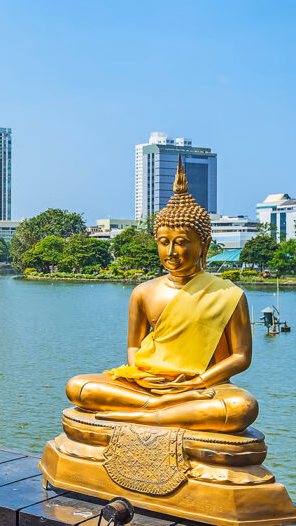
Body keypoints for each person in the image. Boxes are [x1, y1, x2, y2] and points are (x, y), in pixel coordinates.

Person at [65, 156, 257, 433]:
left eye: (181, 243)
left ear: (204, 244)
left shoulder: (229, 294)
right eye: (164, 242)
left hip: (200, 385)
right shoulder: (144, 292)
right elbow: (134, 346)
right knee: (79, 387)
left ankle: (147, 414)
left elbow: (241, 356)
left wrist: (198, 382)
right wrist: (141, 375)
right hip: (146, 384)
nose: (171, 253)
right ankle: (166, 409)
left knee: (242, 407)